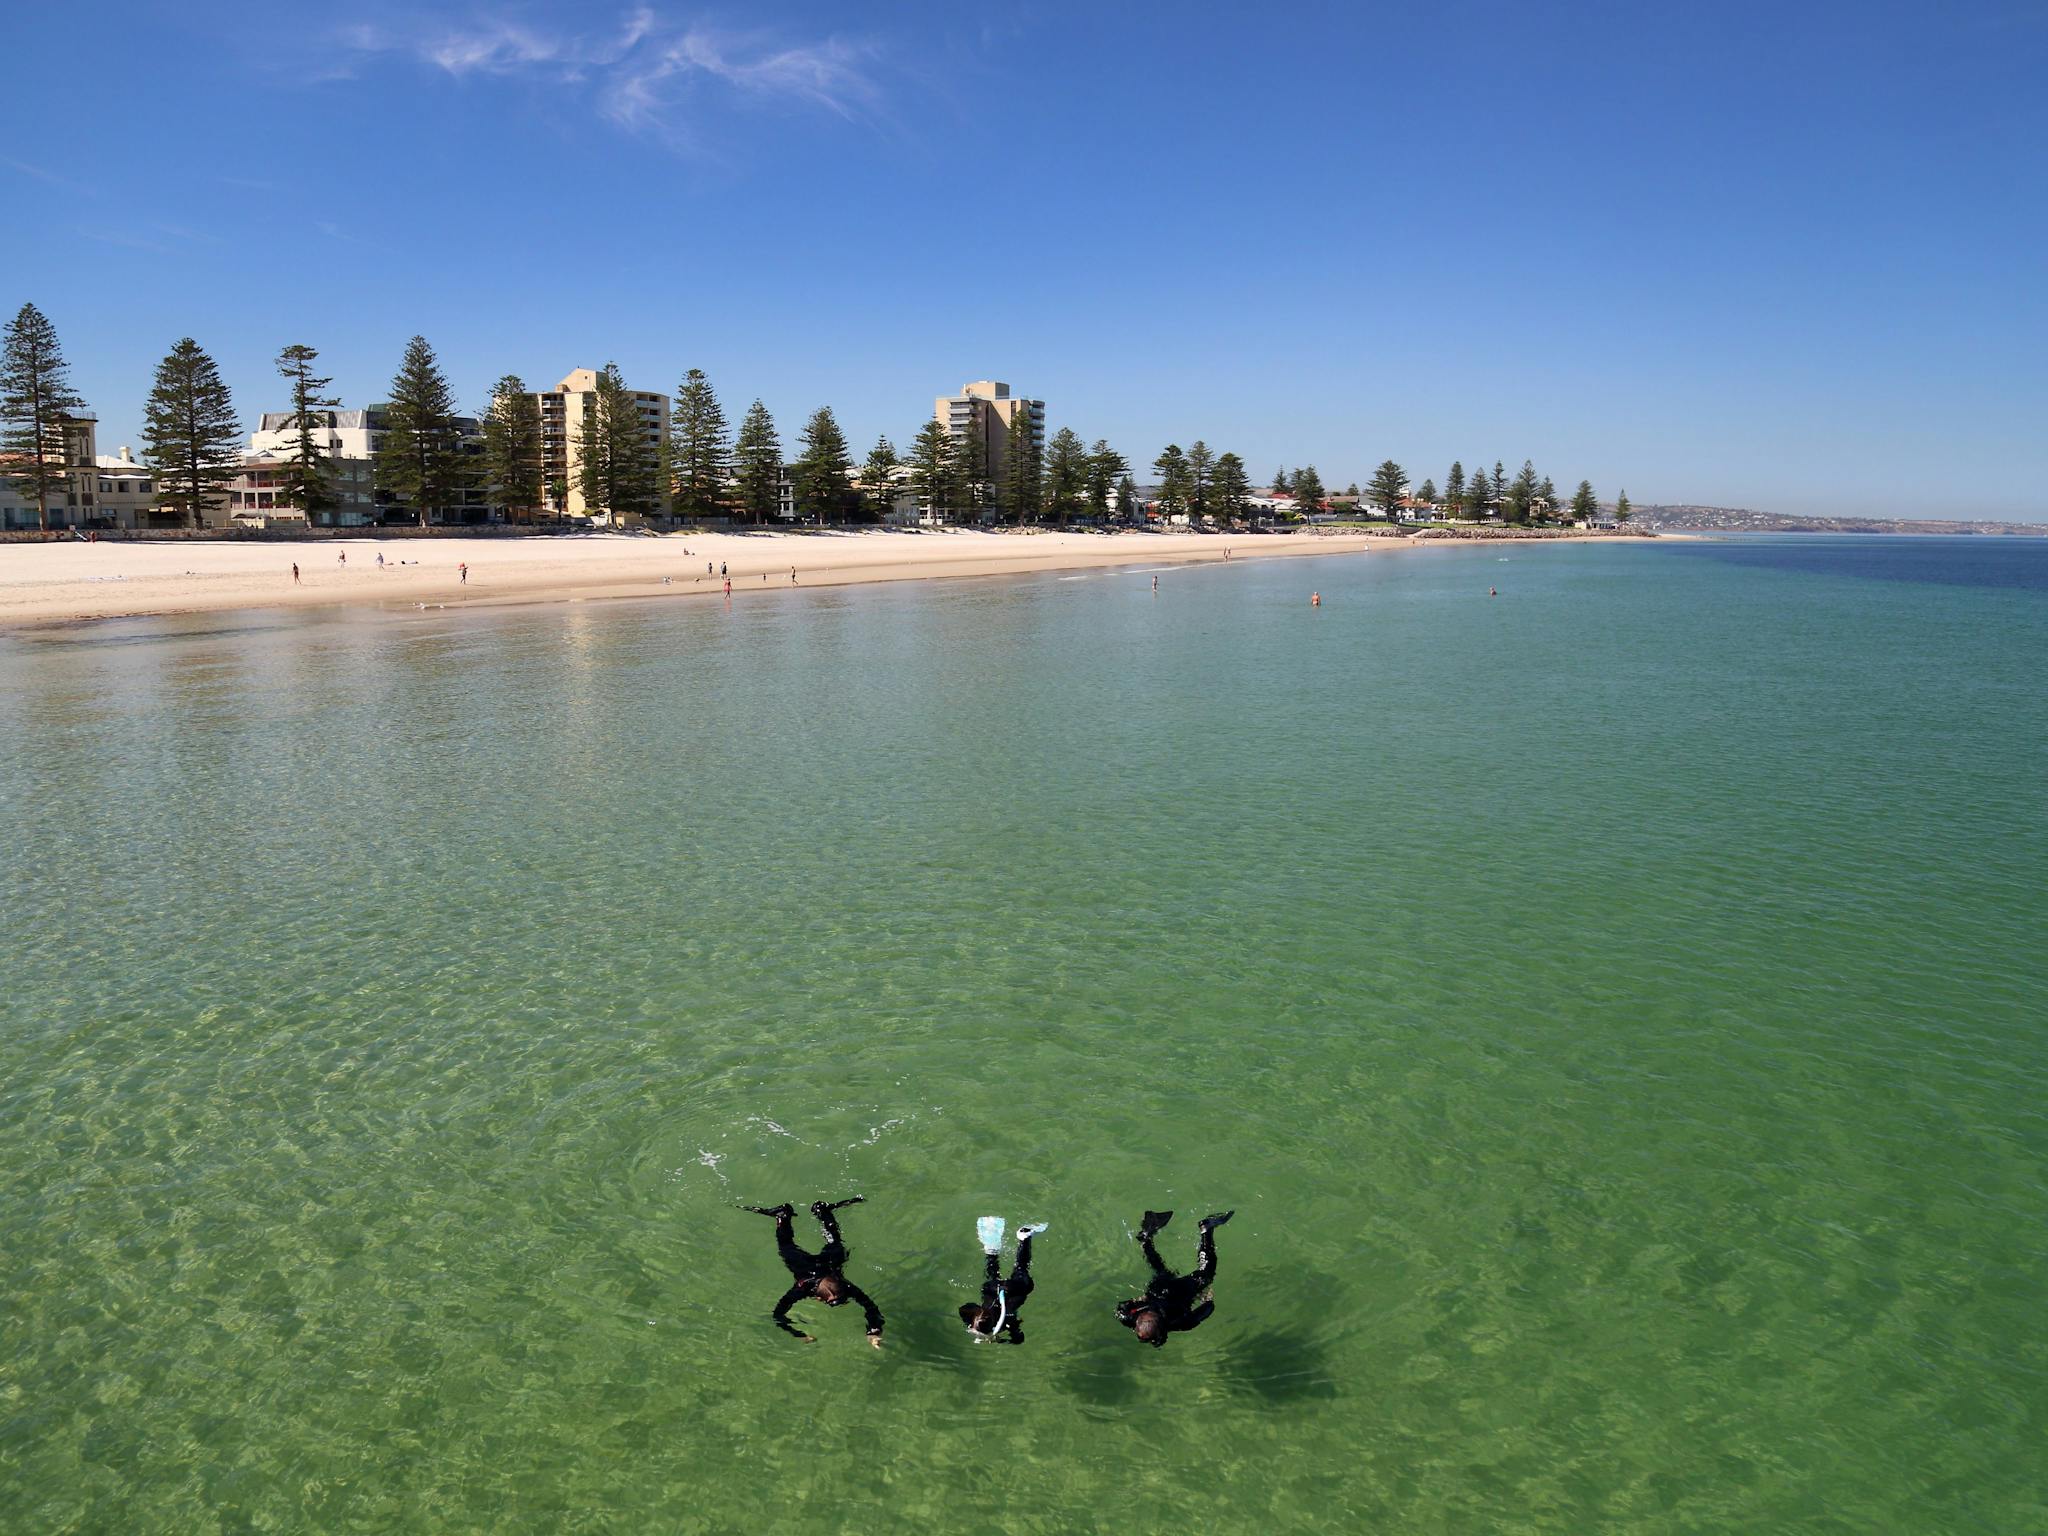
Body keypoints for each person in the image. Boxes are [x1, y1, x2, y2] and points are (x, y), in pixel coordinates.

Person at [746, 1198, 884, 1347]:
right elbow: (777, 1315)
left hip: (827, 1263)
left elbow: (779, 1315)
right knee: (787, 1245)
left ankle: (819, 1211)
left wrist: (873, 1333)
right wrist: (798, 1335)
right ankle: (785, 1215)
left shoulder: (846, 1287)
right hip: (807, 1266)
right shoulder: (802, 1288)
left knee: (835, 1243)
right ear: (818, 1298)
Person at [1116, 1210, 1232, 1348]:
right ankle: (1145, 1238)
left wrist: (1207, 1298)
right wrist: (1141, 1299)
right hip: (1157, 1288)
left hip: (1180, 1292)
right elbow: (1121, 1308)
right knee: (1161, 1270)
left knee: (1206, 1272)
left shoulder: (1179, 1323)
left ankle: (1206, 1229)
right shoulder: (1130, 1317)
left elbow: (1208, 1309)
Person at [960, 1220, 1048, 1345]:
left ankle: (1024, 1239)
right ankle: (991, 1252)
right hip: (991, 1289)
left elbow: (1018, 1339)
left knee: (1021, 1269)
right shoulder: (975, 1313)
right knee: (993, 1274)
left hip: (1014, 1291)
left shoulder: (1007, 1320)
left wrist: (999, 1339)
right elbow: (963, 1308)